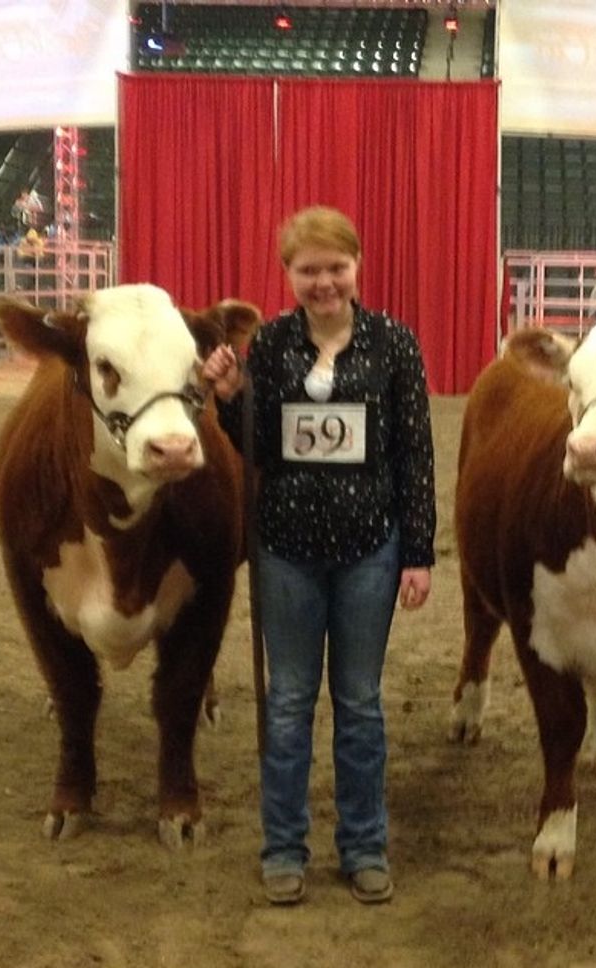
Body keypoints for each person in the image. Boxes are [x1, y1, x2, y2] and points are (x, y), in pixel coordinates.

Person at [203, 205, 436, 906]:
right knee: (288, 703)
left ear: (357, 266)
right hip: (286, 549)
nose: (325, 282)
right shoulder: (271, 344)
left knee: (359, 704)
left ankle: (364, 845)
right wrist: (230, 399)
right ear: (289, 273)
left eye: (336, 267)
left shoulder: (395, 344)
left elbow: (415, 455)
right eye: (309, 270)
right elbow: (260, 449)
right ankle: (283, 846)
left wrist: (418, 553)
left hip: (371, 548)